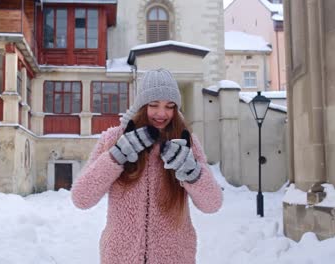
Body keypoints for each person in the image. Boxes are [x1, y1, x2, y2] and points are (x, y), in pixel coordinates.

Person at [71, 68, 223, 264]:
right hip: (120, 257)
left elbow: (212, 204)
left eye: (170, 106)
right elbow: (81, 198)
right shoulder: (114, 139)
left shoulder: (186, 143)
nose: (162, 113)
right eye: (154, 105)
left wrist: (191, 172)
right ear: (141, 106)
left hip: (174, 257)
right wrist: (116, 157)